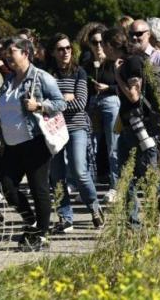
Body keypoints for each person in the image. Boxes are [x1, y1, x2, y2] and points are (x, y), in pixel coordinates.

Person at [0, 37, 66, 251]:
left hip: (34, 142)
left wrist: (39, 106)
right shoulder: (9, 80)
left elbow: (60, 102)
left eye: (12, 51)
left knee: (39, 190)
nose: (8, 56)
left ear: (26, 53)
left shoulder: (41, 77)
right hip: (11, 144)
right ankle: (33, 222)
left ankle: (42, 235)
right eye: (6, 52)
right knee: (6, 186)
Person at [108, 27, 160, 227]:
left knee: (149, 173)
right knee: (127, 174)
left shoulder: (132, 62)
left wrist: (117, 76)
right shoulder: (130, 61)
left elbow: (133, 95)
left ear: (110, 45)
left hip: (140, 126)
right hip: (129, 126)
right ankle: (133, 223)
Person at [45, 34, 104, 233]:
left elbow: (80, 103)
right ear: (53, 52)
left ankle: (94, 207)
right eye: (61, 49)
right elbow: (41, 104)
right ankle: (65, 217)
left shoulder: (79, 72)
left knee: (80, 170)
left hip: (76, 127)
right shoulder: (47, 74)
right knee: (57, 175)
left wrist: (55, 103)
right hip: (54, 129)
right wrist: (64, 99)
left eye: (68, 48)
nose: (66, 52)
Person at [82, 25, 121, 204]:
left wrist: (109, 88)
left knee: (113, 145)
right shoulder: (87, 65)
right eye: (94, 42)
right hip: (92, 104)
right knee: (90, 146)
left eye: (101, 42)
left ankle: (115, 187)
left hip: (111, 101)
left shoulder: (115, 62)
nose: (98, 46)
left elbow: (125, 87)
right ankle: (89, 187)